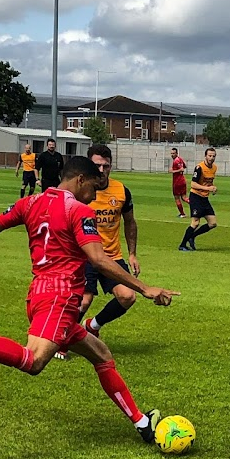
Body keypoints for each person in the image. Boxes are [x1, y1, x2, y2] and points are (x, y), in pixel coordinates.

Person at [0, 156, 180, 445]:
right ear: (80, 180)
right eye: (93, 186)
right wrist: (144, 288)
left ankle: (142, 423)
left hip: (38, 293)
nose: (94, 195)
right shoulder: (78, 211)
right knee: (34, 361)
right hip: (61, 297)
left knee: (101, 355)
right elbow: (98, 259)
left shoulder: (29, 203)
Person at [79, 144, 140, 337]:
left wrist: (132, 254)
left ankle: (92, 326)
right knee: (84, 300)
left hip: (111, 256)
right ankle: (62, 338)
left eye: (106, 166)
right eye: (97, 165)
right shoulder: (80, 191)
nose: (101, 170)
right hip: (85, 255)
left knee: (128, 296)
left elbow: (130, 222)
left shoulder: (121, 191)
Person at [178, 147, 218, 251]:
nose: (211, 158)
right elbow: (193, 184)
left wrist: (212, 188)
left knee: (212, 223)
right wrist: (207, 188)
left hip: (204, 198)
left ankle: (192, 236)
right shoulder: (199, 167)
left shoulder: (214, 168)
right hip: (196, 197)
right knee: (195, 222)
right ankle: (182, 245)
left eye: (213, 156)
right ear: (205, 156)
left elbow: (208, 182)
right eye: (209, 155)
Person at [170, 146, 188, 218]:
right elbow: (184, 166)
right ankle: (197, 207)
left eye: (173, 153)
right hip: (183, 180)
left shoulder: (176, 161)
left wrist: (172, 171)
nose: (172, 155)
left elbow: (182, 169)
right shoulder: (180, 159)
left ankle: (182, 214)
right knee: (184, 198)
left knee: (177, 198)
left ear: (177, 153)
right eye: (171, 153)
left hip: (177, 181)